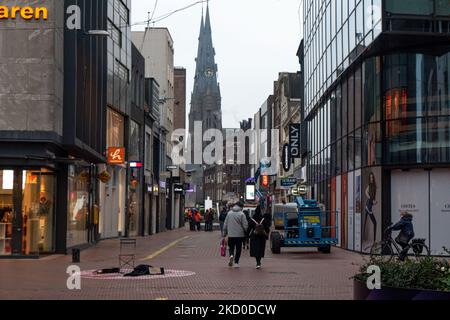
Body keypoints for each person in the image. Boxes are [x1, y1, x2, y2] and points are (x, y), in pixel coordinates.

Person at [223, 202, 248, 268]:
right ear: (241, 207)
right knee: (238, 249)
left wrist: (224, 233)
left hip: (231, 234)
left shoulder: (229, 213)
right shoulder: (242, 214)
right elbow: (245, 225)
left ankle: (231, 255)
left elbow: (225, 224)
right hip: (240, 235)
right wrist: (246, 231)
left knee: (231, 247)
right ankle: (236, 262)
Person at [363, 172, 378, 243]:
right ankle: (373, 240)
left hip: (369, 205)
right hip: (368, 205)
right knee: (370, 222)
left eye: (372, 177)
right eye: (370, 177)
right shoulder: (370, 185)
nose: (371, 179)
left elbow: (373, 196)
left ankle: (374, 240)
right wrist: (371, 199)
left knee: (373, 222)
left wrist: (374, 201)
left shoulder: (374, 186)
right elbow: (366, 192)